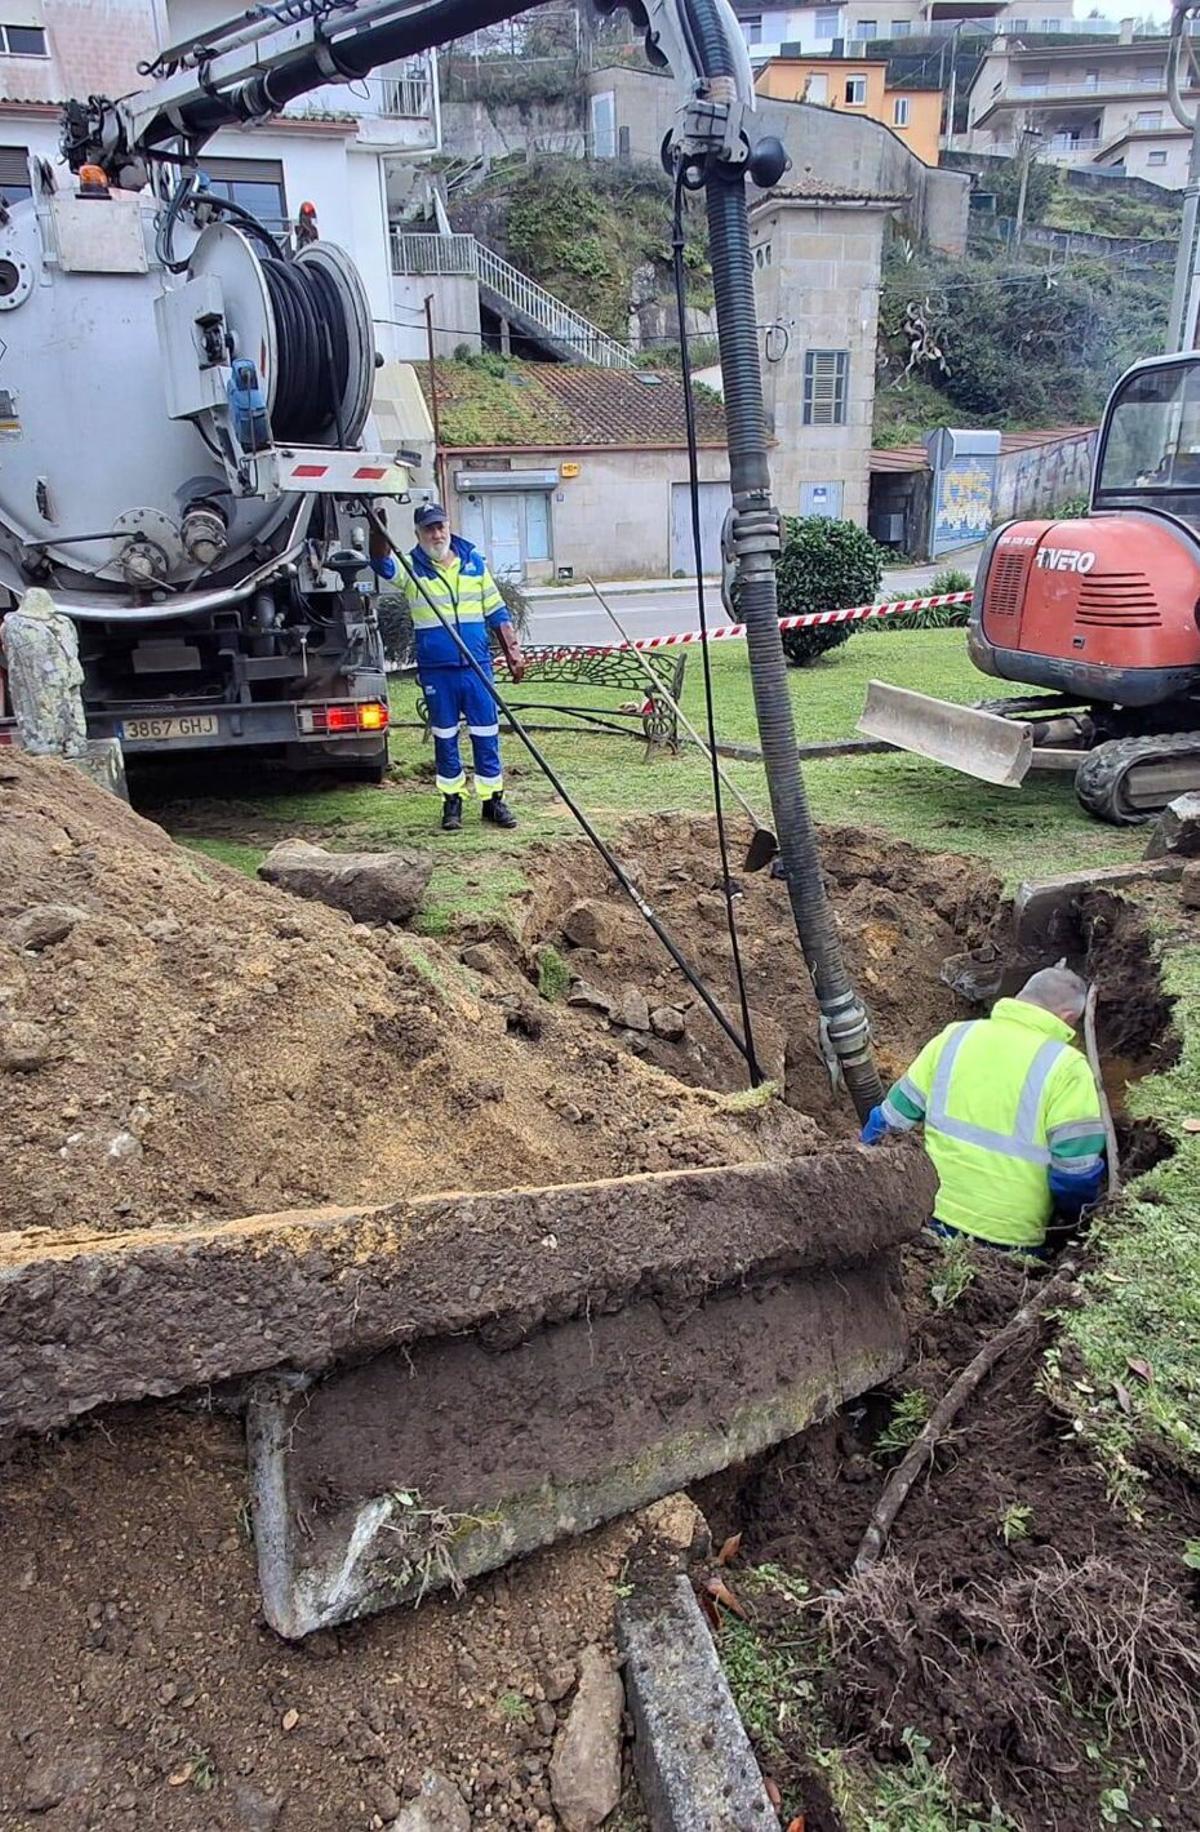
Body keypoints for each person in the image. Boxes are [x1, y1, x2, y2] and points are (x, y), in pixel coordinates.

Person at [861, 967, 1106, 1254]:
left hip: (928, 1220)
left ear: (1020, 998)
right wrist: (1072, 1223)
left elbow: (888, 1122)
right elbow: (1074, 1175)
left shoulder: (954, 1037)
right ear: (1069, 1018)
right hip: (1012, 1241)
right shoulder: (1068, 1068)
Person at [375, 503, 525, 833]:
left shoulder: (473, 563)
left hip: (477, 666)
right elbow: (381, 564)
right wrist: (378, 530)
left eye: (440, 526)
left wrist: (513, 652)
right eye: (428, 529)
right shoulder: (411, 568)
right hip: (437, 670)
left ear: (448, 525)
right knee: (445, 736)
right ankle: (452, 801)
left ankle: (492, 801)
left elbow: (497, 611)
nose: (436, 534)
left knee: (486, 732)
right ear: (418, 534)